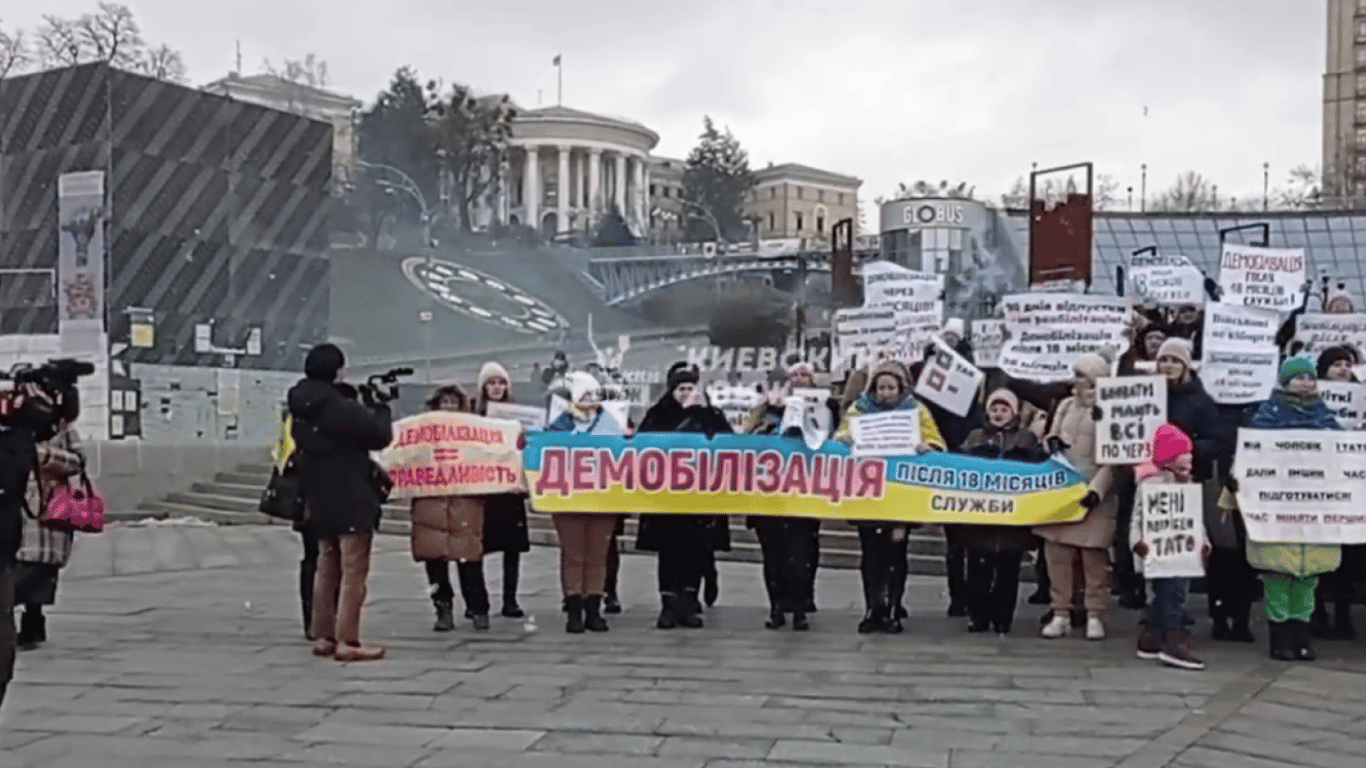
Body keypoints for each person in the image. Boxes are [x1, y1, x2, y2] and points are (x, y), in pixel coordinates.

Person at [289, 344, 394, 662]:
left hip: (319, 492)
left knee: (326, 565)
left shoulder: (301, 404)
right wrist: (381, 407)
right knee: (353, 569)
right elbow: (379, 436)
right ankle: (348, 640)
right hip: (351, 492)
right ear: (335, 369)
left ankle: (323, 635)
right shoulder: (338, 406)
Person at [1242, 357, 1343, 661]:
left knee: (1307, 579)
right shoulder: (1266, 416)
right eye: (1298, 377)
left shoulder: (1326, 417)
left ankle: (1302, 635)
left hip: (1314, 511)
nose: (1306, 382)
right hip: (1278, 510)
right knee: (1277, 576)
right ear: (1284, 381)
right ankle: (1280, 637)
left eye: (1310, 377)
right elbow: (1253, 455)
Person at [837, 361, 945, 634]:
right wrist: (845, 439)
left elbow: (937, 443)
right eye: (881, 387)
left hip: (901, 495)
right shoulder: (858, 410)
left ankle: (894, 608)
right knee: (870, 555)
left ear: (900, 388)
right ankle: (873, 607)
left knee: (896, 553)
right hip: (867, 494)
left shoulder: (917, 411)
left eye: (891, 387)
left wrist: (927, 447)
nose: (886, 392)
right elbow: (838, 437)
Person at [636, 366, 733, 629]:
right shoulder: (659, 414)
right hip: (666, 498)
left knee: (695, 553)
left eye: (691, 388)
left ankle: (689, 603)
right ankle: (668, 606)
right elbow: (645, 443)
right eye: (682, 389)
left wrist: (701, 412)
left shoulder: (711, 415)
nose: (687, 394)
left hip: (699, 498)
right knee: (669, 554)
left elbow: (728, 444)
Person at [1035, 353, 1117, 641]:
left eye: (1082, 375)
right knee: (1058, 555)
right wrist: (1051, 442)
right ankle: (1060, 612)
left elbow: (1114, 455)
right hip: (1063, 490)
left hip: (1093, 492)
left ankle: (1094, 612)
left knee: (1092, 557)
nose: (1076, 380)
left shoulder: (1110, 407)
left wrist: (1098, 489)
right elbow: (1052, 434)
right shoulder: (1066, 405)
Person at [956, 389, 1042, 635]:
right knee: (977, 571)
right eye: (994, 409)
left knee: (1008, 572)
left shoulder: (1025, 437)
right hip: (980, 518)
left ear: (1013, 413)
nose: (999, 414)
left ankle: (1003, 617)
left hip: (1011, 519)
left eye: (1004, 410)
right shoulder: (975, 436)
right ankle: (978, 616)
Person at [546, 372, 623, 633]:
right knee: (574, 554)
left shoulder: (612, 422)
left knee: (597, 556)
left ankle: (594, 608)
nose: (591, 400)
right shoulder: (558, 424)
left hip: (603, 498)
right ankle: (574, 610)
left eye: (594, 395)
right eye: (585, 394)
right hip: (568, 499)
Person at [410, 385, 489, 632]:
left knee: (470, 562)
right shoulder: (421, 434)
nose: (449, 407)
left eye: (454, 403)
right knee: (435, 563)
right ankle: (442, 608)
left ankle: (478, 608)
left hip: (463, 504)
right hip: (431, 505)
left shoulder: (473, 433)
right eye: (444, 402)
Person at [1131, 423, 1211, 670]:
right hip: (1160, 552)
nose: (1188, 460)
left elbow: (1194, 520)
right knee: (1171, 594)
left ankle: (1152, 638)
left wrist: (1204, 543)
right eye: (1181, 456)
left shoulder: (1187, 487)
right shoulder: (1151, 486)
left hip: (1182, 552)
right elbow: (1138, 519)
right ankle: (1174, 640)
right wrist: (1138, 543)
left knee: (1167, 595)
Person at [12, 393, 84, 651]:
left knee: (38, 570)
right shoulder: (9, 427)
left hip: (47, 508)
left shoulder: (60, 427)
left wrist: (42, 455)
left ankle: (33, 620)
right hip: (12, 506)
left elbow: (77, 461)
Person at [474, 362, 530, 619]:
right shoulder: (473, 417)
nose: (497, 387)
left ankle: (510, 600)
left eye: (501, 383)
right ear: (483, 388)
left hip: (509, 488)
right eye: (492, 383)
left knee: (512, 548)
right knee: (477, 548)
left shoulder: (518, 415)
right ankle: (478, 599)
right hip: (483, 489)